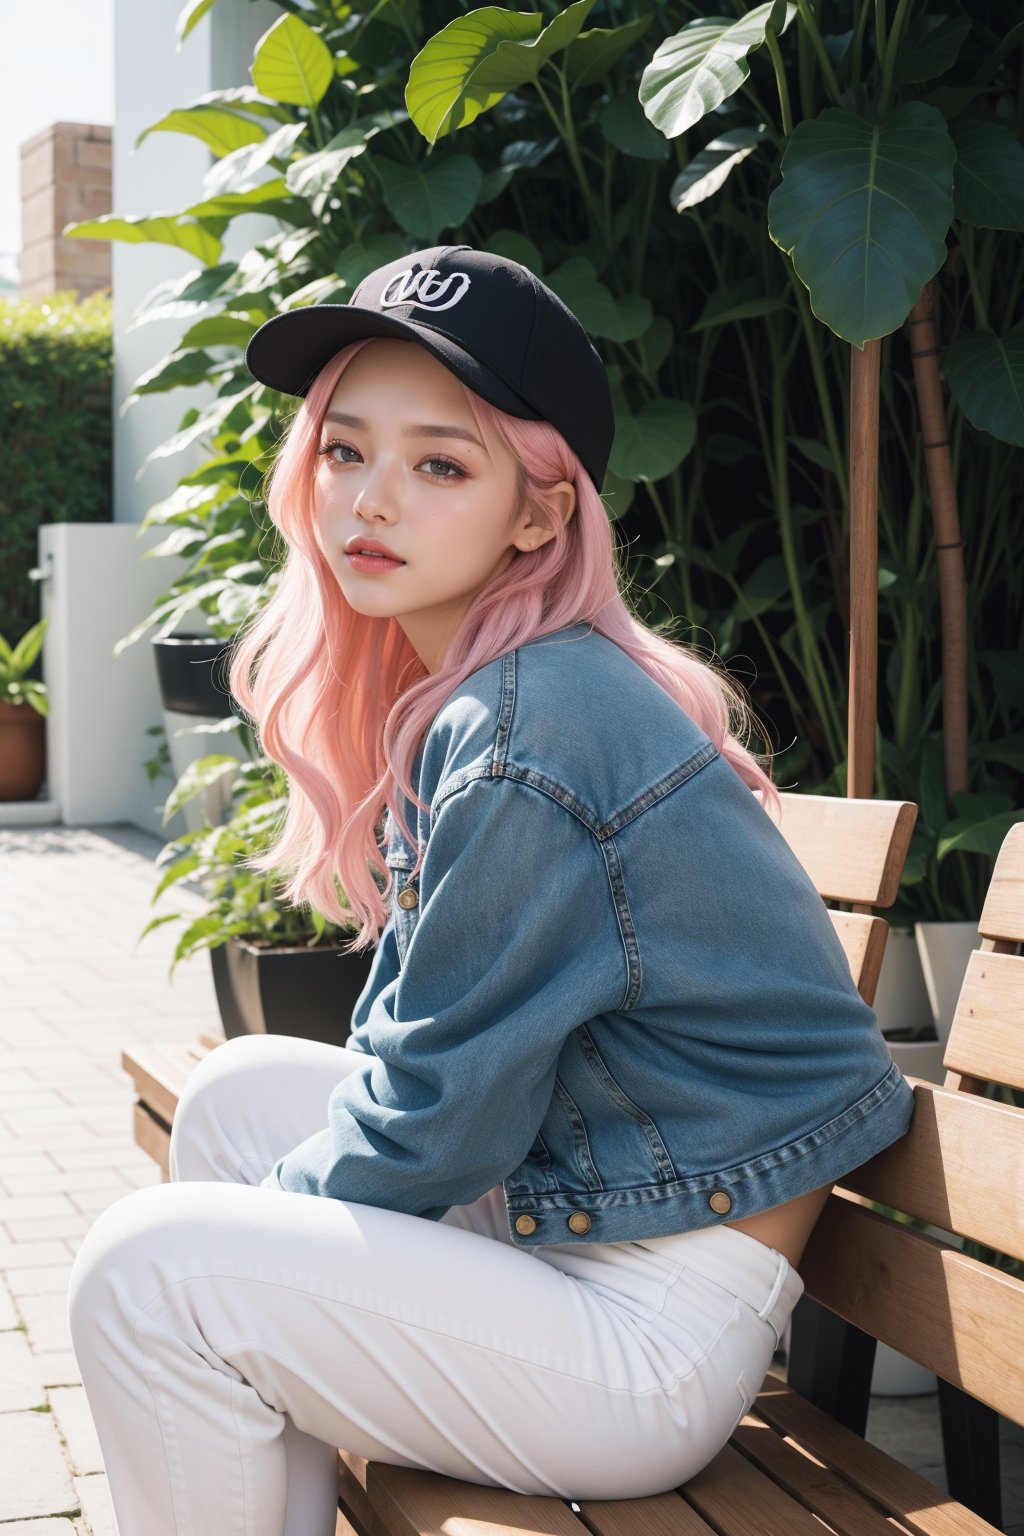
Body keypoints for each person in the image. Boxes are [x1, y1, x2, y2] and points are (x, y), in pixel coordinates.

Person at [67, 245, 914, 1535]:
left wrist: (233, 1248)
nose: (372, 500)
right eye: (346, 451)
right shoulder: (498, 692)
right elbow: (418, 1077)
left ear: (539, 511)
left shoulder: (533, 727)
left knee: (149, 1274)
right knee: (239, 1110)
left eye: (441, 464)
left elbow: (433, 1122)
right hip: (603, 1212)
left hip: (648, 1333)